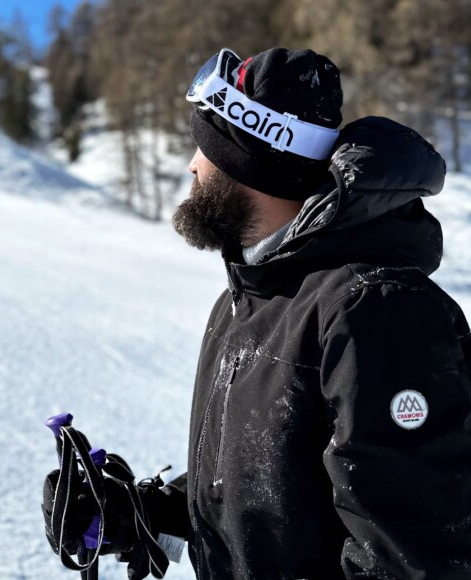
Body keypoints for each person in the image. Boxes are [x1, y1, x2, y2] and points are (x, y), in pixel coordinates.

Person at [43, 47, 471, 580]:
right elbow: (278, 504)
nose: (192, 165)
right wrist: (144, 516)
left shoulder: (376, 312)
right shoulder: (247, 298)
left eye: (207, 150)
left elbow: (410, 559)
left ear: (254, 162)